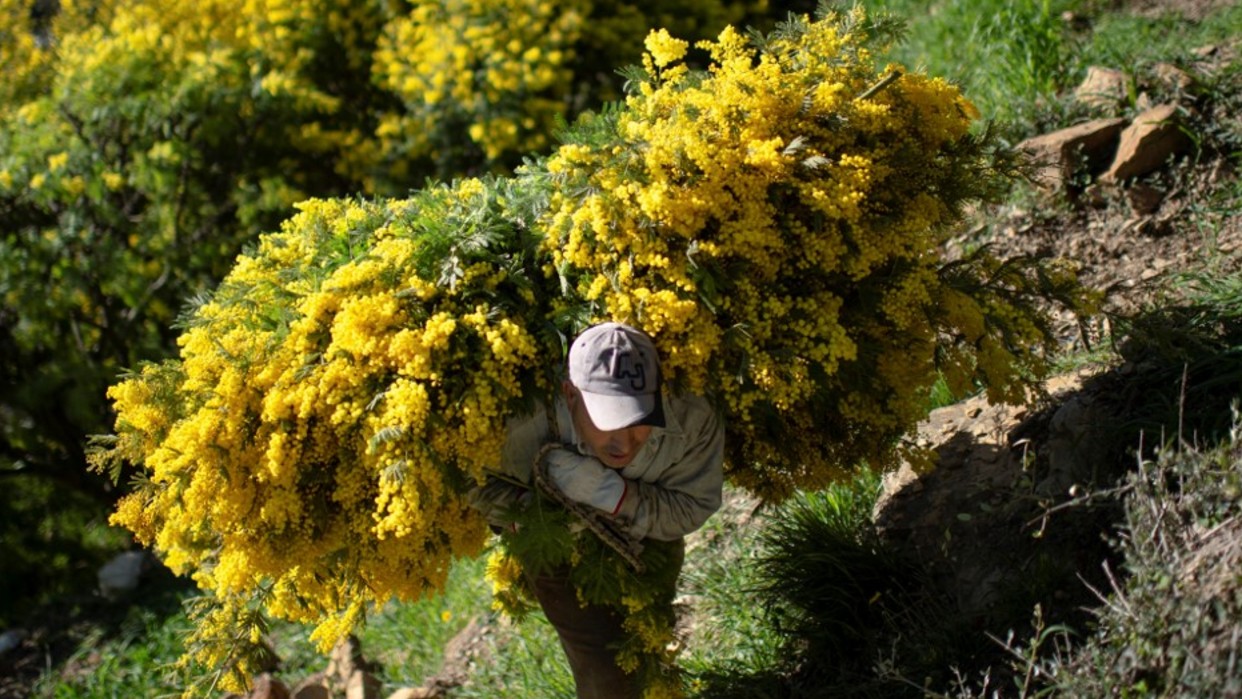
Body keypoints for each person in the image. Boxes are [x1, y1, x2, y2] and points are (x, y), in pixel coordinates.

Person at [470, 321, 724, 699]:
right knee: (602, 664)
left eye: (639, 421)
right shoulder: (517, 424)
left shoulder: (692, 416)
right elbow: (471, 484)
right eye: (608, 421)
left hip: (646, 538)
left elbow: (694, 505)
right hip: (551, 543)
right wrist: (534, 512)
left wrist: (616, 496)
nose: (624, 441)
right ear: (570, 396)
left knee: (645, 641)